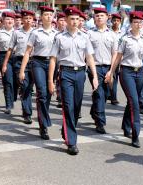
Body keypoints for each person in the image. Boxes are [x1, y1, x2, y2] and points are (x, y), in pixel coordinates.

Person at [48, 7, 98, 155]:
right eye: (72, 19)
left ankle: (67, 129)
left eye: (77, 19)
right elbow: (53, 59)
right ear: (66, 21)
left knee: (76, 107)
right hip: (66, 73)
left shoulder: (85, 37)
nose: (75, 22)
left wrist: (94, 76)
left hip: (81, 73)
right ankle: (71, 142)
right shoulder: (59, 37)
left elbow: (89, 57)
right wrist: (50, 80)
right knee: (68, 106)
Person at [105, 11, 143, 148]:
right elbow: (118, 57)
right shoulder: (125, 39)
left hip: (139, 72)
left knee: (132, 101)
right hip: (127, 72)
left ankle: (126, 125)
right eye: (135, 22)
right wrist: (111, 71)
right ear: (131, 23)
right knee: (135, 102)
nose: (138, 24)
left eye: (140, 22)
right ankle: (135, 135)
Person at [19, 6, 57, 140]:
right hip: (37, 63)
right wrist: (22, 70)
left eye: (50, 15)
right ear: (41, 17)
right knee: (41, 91)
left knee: (49, 92)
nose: (48, 17)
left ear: (53, 17)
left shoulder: (56, 34)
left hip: (52, 63)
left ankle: (43, 118)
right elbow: (28, 52)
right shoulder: (35, 33)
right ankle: (43, 125)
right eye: (45, 15)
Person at [87, 7, 118, 134]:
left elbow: (115, 53)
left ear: (107, 17)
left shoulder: (112, 35)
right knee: (99, 93)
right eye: (97, 15)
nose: (99, 17)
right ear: (94, 18)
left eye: (101, 15)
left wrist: (111, 70)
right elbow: (87, 53)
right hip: (94, 67)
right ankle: (100, 122)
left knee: (104, 94)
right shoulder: (89, 34)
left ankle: (95, 110)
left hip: (108, 68)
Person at [2, 10, 35, 124]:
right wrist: (5, 64)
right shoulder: (17, 33)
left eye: (30, 18)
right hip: (19, 61)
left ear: (33, 20)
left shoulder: (36, 32)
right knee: (25, 86)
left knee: (29, 88)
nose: (28, 20)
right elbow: (10, 49)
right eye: (25, 18)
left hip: (34, 62)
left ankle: (25, 107)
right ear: (22, 20)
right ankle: (27, 113)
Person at [0, 12, 16, 114]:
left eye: (11, 19)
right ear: (3, 21)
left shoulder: (17, 32)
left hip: (16, 57)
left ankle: (13, 97)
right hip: (4, 57)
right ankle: (9, 104)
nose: (9, 21)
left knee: (15, 81)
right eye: (7, 19)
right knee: (7, 80)